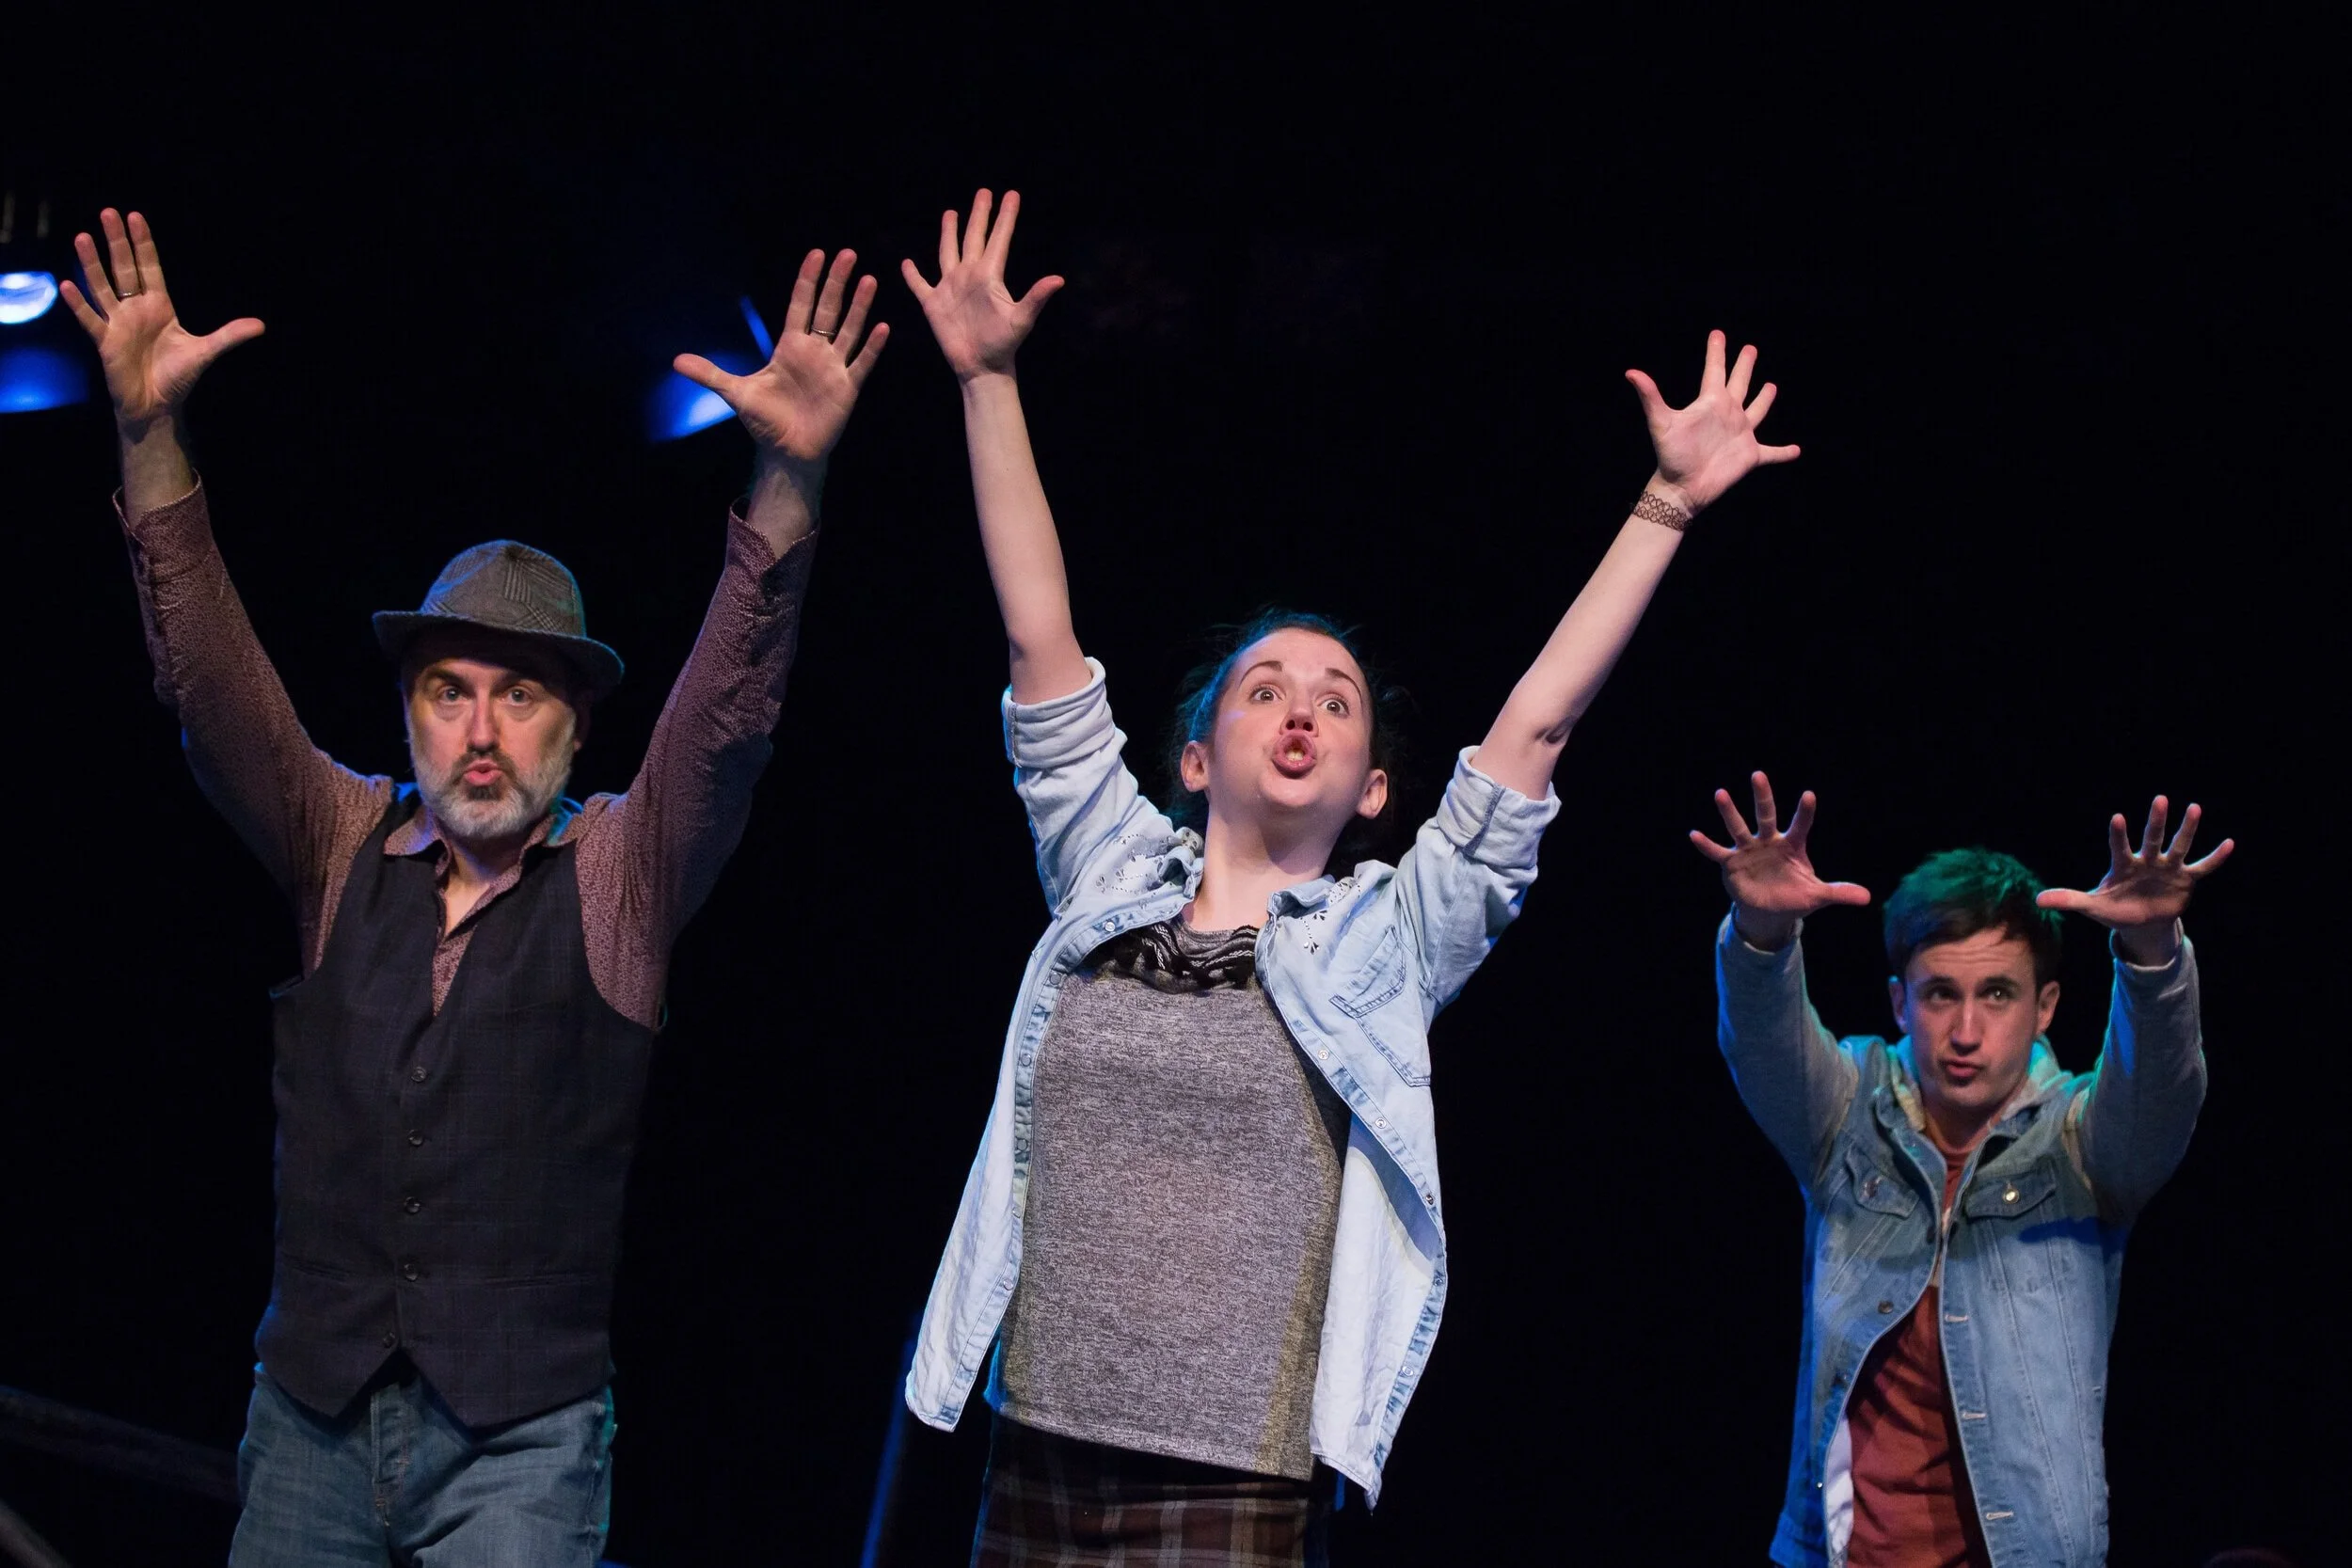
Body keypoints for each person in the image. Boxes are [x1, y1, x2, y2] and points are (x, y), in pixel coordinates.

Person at [898, 188, 1799, 1564]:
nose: (1300, 707)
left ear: (1378, 786)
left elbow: (1533, 733)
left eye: (1335, 695)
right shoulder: (1106, 871)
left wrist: (1666, 503)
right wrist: (988, 381)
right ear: (1196, 755)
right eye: (1263, 689)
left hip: (1235, 1481)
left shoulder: (1384, 940)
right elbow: (1040, 637)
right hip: (1037, 1443)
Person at [62, 208, 887, 1565]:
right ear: (409, 711)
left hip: (520, 1439)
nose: (483, 729)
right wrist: (151, 439)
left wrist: (786, 483)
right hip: (312, 1419)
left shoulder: (617, 868)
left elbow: (730, 717)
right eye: (451, 691)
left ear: (575, 730)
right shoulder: (340, 837)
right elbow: (209, 692)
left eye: (522, 694)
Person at [1694, 773, 2231, 1568]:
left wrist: (2152, 957)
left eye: (1998, 994)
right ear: (1900, 1001)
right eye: (1941, 993)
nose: (1967, 1030)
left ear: (2046, 1005)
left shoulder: (2080, 1141)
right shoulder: (1851, 1112)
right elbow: (1765, 1048)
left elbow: (2163, 1091)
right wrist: (1762, 934)